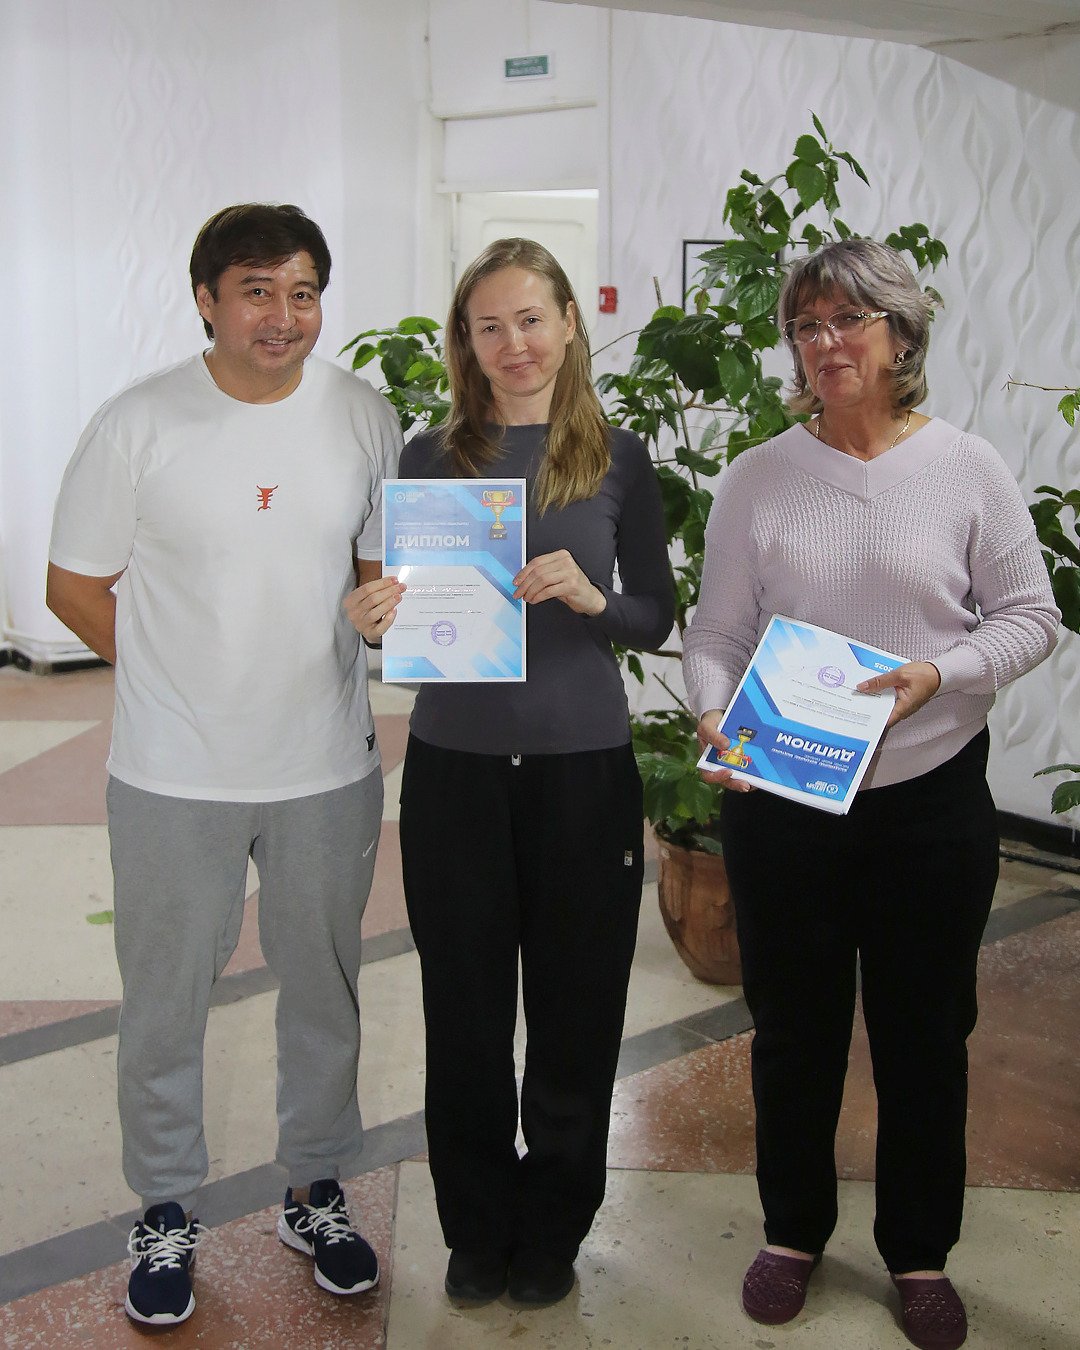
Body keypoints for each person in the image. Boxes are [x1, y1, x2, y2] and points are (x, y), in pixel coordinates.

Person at [683, 238, 1058, 1350]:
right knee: (791, 1033)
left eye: (849, 320)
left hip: (928, 801)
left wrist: (941, 673)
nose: (826, 343)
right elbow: (716, 633)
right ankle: (792, 1232)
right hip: (784, 798)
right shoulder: (759, 476)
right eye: (807, 326)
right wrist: (713, 709)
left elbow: (1031, 616)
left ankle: (919, 1251)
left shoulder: (967, 468)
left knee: (924, 1036)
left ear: (901, 334)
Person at [46, 203, 403, 1327]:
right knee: (164, 1003)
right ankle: (164, 1207)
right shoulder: (138, 422)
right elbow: (73, 586)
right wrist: (168, 678)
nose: (282, 316)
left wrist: (391, 613)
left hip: (324, 766)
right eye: (256, 291)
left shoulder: (364, 415)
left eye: (303, 292)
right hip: (172, 775)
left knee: (325, 991)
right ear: (206, 299)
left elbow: (378, 573)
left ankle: (315, 1188)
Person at [346, 238, 674, 1306]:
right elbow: (406, 617)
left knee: (577, 1013)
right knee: (466, 1012)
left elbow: (654, 616)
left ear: (569, 323)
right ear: (465, 341)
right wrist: (376, 617)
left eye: (531, 319)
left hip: (584, 769)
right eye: (489, 325)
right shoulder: (429, 456)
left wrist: (592, 597)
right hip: (457, 769)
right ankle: (477, 1227)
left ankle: (554, 1230)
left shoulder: (619, 457)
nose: (513, 343)